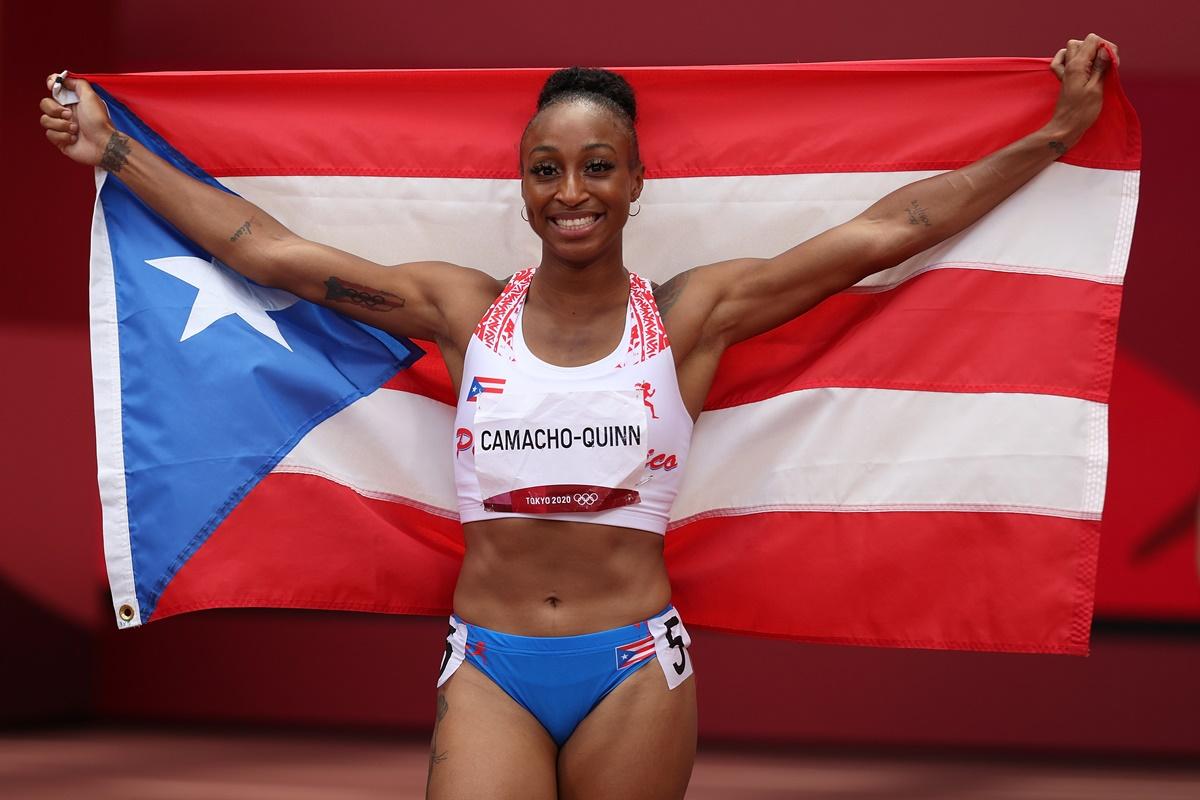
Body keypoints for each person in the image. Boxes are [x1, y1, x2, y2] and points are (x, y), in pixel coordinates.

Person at [41, 33, 1118, 800]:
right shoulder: (463, 311)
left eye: (598, 167)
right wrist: (116, 152)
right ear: (521, 182)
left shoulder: (694, 314)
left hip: (631, 667)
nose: (573, 190)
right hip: (494, 661)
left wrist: (1055, 136)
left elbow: (888, 230)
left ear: (637, 179)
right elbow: (268, 252)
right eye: (548, 168)